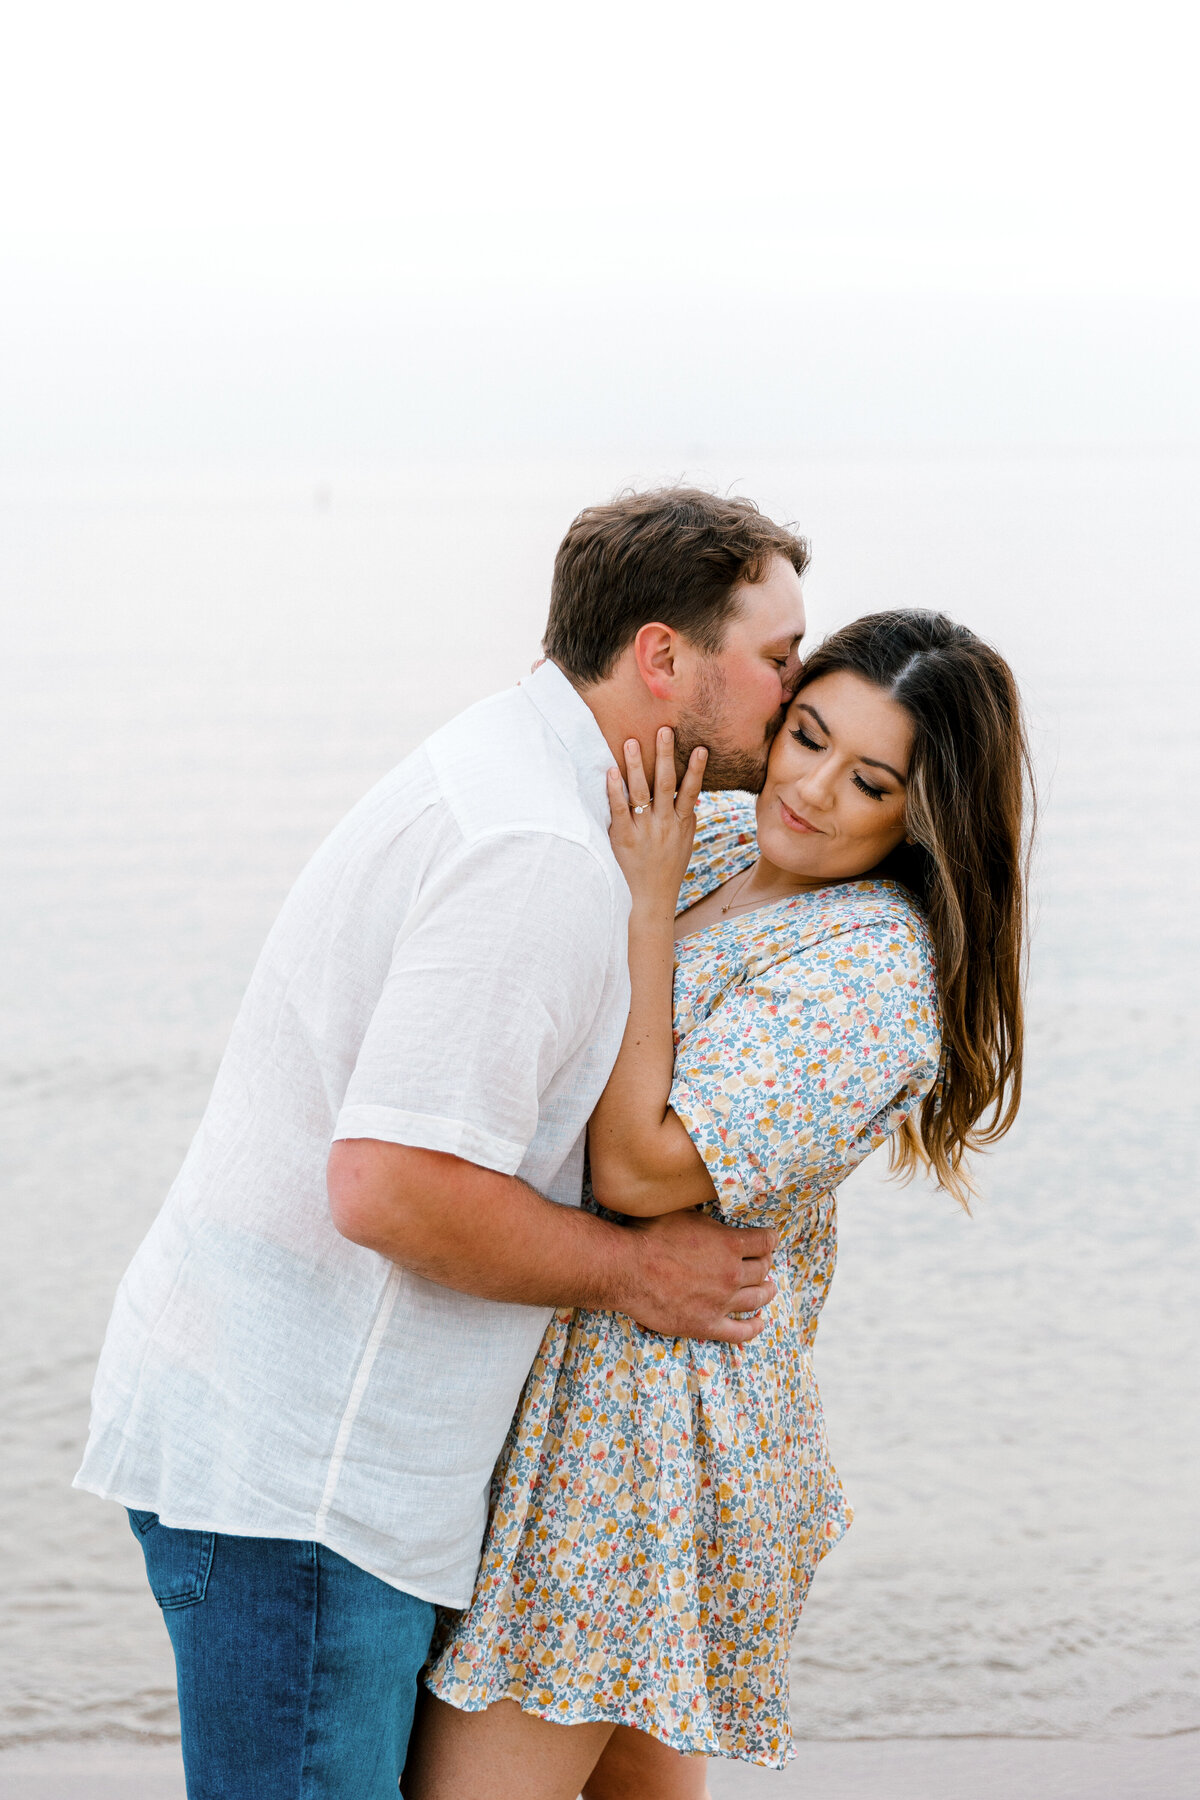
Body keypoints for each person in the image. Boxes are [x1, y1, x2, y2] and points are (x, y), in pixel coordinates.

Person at [73, 488, 810, 1799]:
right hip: (304, 1486)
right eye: (776, 657)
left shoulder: (525, 777)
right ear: (660, 658)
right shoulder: (537, 853)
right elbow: (390, 1187)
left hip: (296, 1457)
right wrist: (641, 1273)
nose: (799, 693)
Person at [404, 609, 1033, 1800]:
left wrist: (642, 909)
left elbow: (642, 1169)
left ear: (924, 814)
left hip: (645, 1440)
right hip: (574, 1386)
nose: (811, 790)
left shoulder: (872, 967)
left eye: (871, 780)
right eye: (806, 736)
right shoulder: (715, 840)